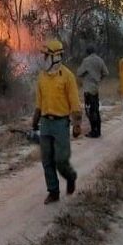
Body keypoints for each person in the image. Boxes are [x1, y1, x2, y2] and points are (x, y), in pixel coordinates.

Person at [32, 40, 82, 205]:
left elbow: (74, 102)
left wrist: (77, 123)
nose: (44, 58)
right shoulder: (42, 77)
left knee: (61, 159)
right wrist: (35, 122)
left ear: (56, 56)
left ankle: (70, 176)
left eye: (46, 55)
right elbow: (39, 103)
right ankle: (53, 192)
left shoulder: (68, 76)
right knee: (47, 160)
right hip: (46, 123)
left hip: (61, 124)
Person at [76, 45, 109, 138]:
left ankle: (93, 131)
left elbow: (79, 73)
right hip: (95, 88)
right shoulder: (100, 60)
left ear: (87, 52)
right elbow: (106, 73)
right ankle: (98, 130)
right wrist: (99, 79)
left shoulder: (86, 61)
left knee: (89, 110)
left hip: (88, 89)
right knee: (96, 110)